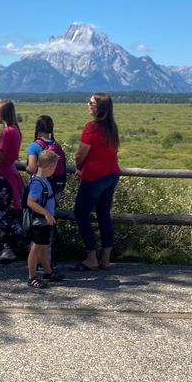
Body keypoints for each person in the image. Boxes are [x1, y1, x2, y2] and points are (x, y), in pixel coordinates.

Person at [72, 92, 121, 271]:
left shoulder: (92, 127)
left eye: (91, 102)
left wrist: (79, 167)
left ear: (99, 107)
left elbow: (80, 154)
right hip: (112, 174)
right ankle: (106, 260)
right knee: (104, 215)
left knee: (81, 214)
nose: (88, 104)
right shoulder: (112, 127)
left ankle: (91, 258)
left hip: (94, 176)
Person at [0, 100, 25, 264]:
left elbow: (0, 157)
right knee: (3, 212)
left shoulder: (6, 132)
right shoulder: (16, 130)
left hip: (3, 176)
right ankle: (7, 248)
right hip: (10, 174)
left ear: (3, 114)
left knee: (1, 214)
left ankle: (28, 237)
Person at [25, 114, 67, 264]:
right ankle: (47, 262)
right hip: (54, 190)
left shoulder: (34, 146)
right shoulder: (56, 146)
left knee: (37, 227)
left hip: (38, 190)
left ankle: (37, 263)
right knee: (48, 225)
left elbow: (31, 168)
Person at [26, 150, 65, 288]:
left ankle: (48, 273)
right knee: (36, 248)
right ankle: (32, 277)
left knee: (42, 247)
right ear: (49, 167)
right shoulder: (38, 183)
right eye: (54, 167)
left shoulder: (43, 180)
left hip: (44, 222)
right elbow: (31, 202)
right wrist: (46, 214)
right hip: (39, 221)